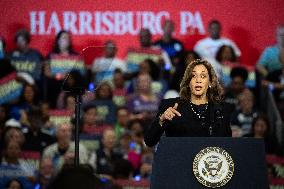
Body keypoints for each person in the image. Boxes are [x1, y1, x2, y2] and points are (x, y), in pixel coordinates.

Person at [144, 59, 232, 147]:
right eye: (193, 76)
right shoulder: (170, 106)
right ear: (188, 82)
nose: (198, 80)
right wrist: (161, 120)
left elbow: (227, 147)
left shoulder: (222, 109)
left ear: (210, 82)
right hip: (179, 158)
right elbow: (149, 141)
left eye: (203, 76)